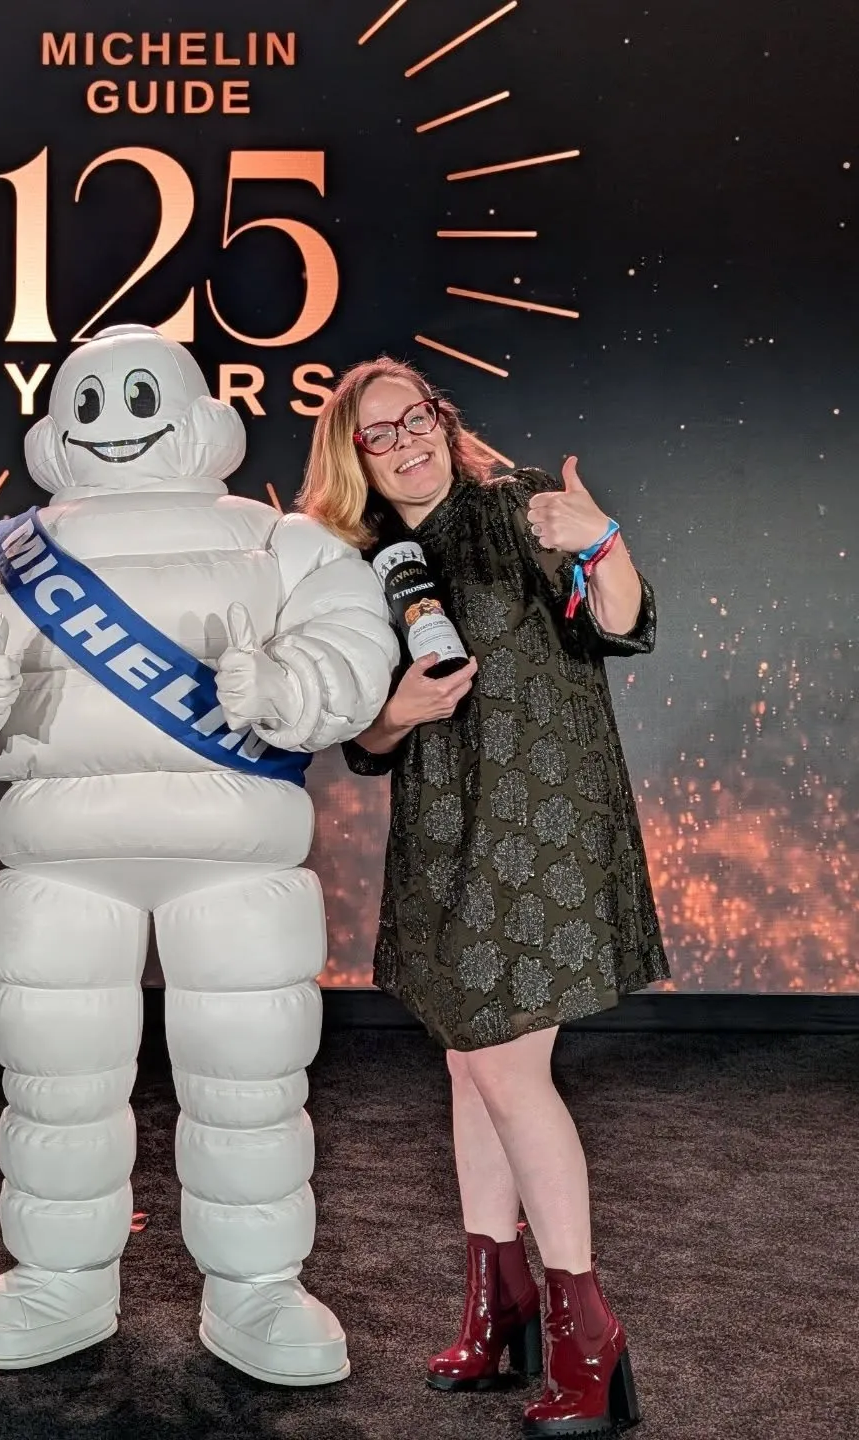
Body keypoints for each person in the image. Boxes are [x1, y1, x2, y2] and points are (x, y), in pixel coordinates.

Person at [0, 325, 398, 1385]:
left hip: (235, 858)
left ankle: (257, 1292)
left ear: (201, 412)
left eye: (138, 396)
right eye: (90, 402)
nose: (116, 420)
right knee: (56, 1082)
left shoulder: (284, 542)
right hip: (62, 859)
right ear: (58, 425)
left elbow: (353, 640)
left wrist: (287, 689)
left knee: (251, 1082)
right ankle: (60, 1280)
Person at [299, 357, 667, 1436]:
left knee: (507, 1069)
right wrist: (400, 707)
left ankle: (588, 1335)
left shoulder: (518, 511)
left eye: (418, 416)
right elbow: (365, 740)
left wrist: (602, 543)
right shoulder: (364, 564)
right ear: (353, 457)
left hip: (542, 829)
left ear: (442, 422)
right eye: (380, 431)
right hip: (445, 834)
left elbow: (621, 619)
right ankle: (497, 1304)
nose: (407, 438)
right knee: (467, 1062)